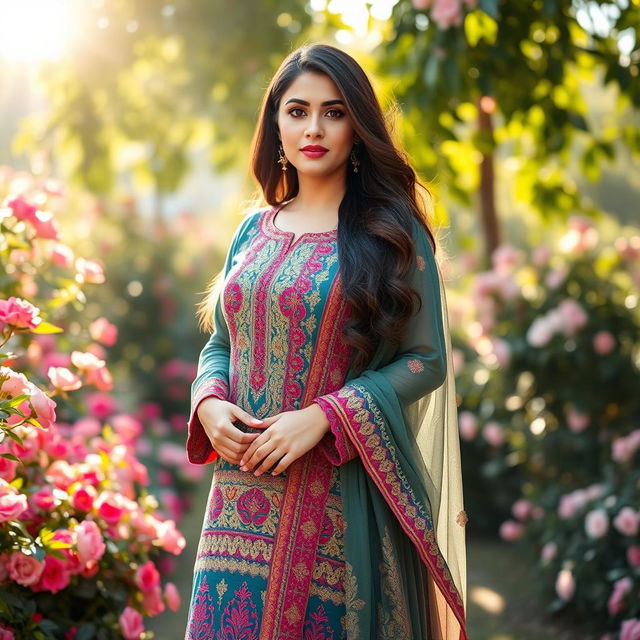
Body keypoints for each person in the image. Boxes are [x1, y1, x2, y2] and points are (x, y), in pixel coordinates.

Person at [184, 42, 468, 640]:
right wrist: (207, 403)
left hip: (338, 502)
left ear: (358, 128)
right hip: (237, 502)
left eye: (334, 112)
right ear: (276, 126)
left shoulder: (392, 234)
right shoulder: (252, 231)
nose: (314, 128)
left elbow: (427, 361)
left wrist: (323, 417)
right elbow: (223, 343)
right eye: (297, 111)